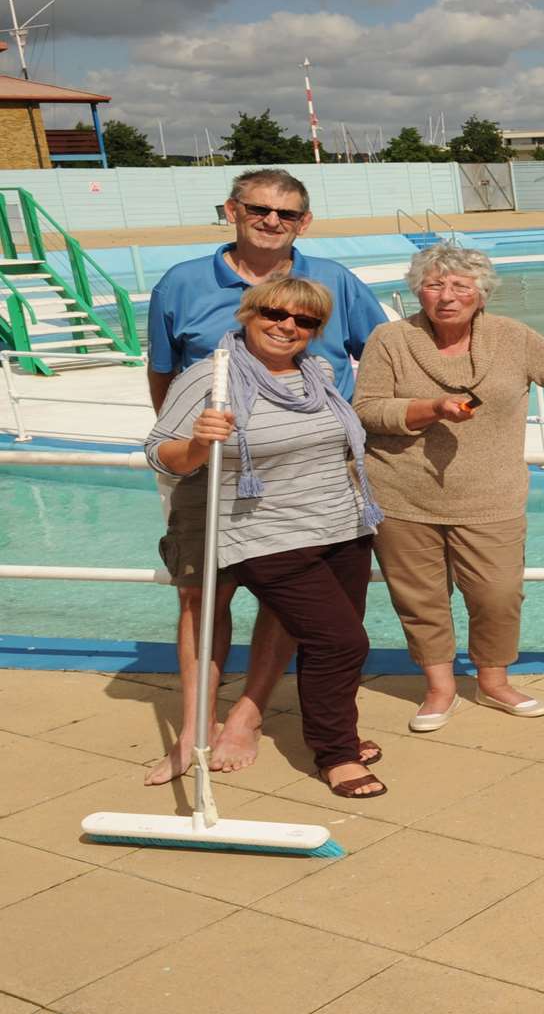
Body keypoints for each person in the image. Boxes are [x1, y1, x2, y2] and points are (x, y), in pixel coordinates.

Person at [140, 168, 387, 785]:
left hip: (318, 487)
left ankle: (248, 716)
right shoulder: (184, 284)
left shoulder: (333, 284)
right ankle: (195, 731)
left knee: (299, 610)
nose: (271, 221)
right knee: (201, 600)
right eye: (259, 209)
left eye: (287, 213)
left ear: (304, 221)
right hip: (217, 465)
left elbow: (381, 353)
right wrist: (198, 444)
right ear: (232, 210)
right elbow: (164, 372)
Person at [354, 244, 544, 732]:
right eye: (435, 285)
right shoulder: (390, 339)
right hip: (401, 494)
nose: (447, 296)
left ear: (481, 293)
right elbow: (368, 409)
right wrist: (429, 409)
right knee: (420, 598)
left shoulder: (511, 337)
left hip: (491, 495)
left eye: (460, 286)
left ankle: (494, 681)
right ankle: (440, 688)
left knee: (497, 594)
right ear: (419, 291)